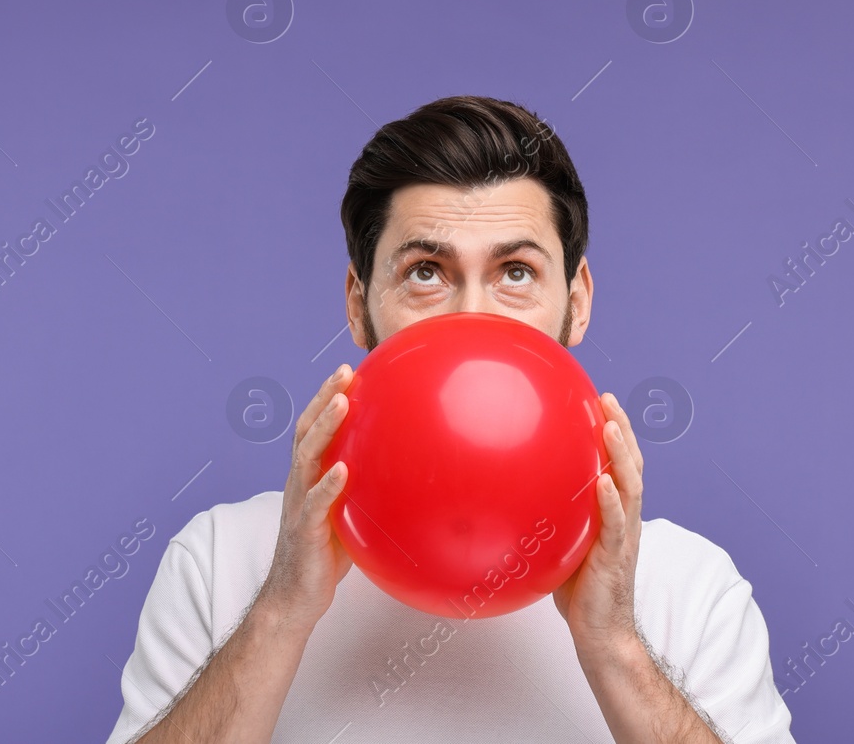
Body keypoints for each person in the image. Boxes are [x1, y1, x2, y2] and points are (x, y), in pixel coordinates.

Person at [103, 95, 796, 743]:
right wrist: (283, 608)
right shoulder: (222, 558)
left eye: (516, 272)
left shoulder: (694, 583)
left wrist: (614, 643)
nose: (472, 317)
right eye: (426, 272)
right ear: (357, 302)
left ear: (577, 301)